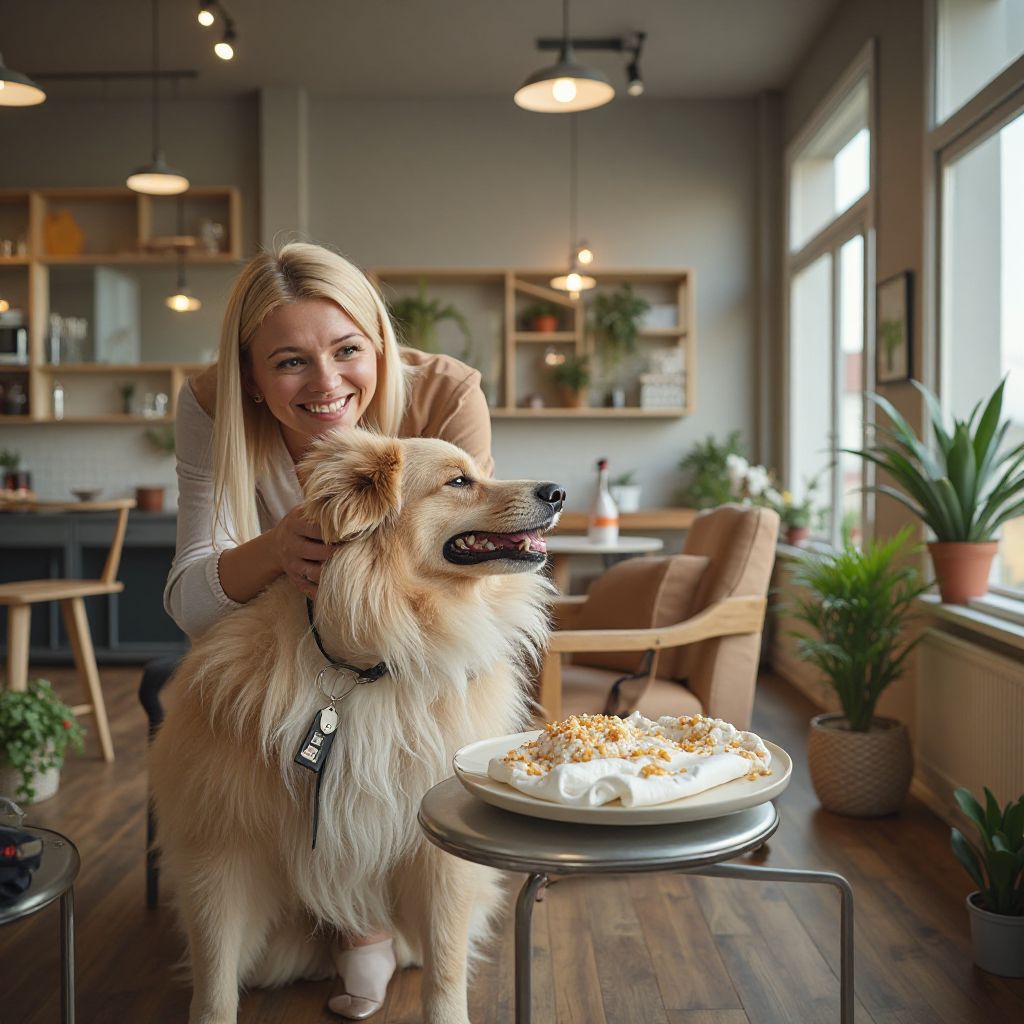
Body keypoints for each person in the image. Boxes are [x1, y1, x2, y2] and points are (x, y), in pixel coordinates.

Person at [163, 241, 493, 1020]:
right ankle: (304, 905)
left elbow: (467, 569)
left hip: (407, 654)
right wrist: (277, 549)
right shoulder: (211, 405)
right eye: (289, 363)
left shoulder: (445, 392)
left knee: (407, 741)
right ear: (250, 375)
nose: (327, 384)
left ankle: (367, 922)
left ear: (378, 340)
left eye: (348, 350)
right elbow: (189, 599)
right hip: (279, 649)